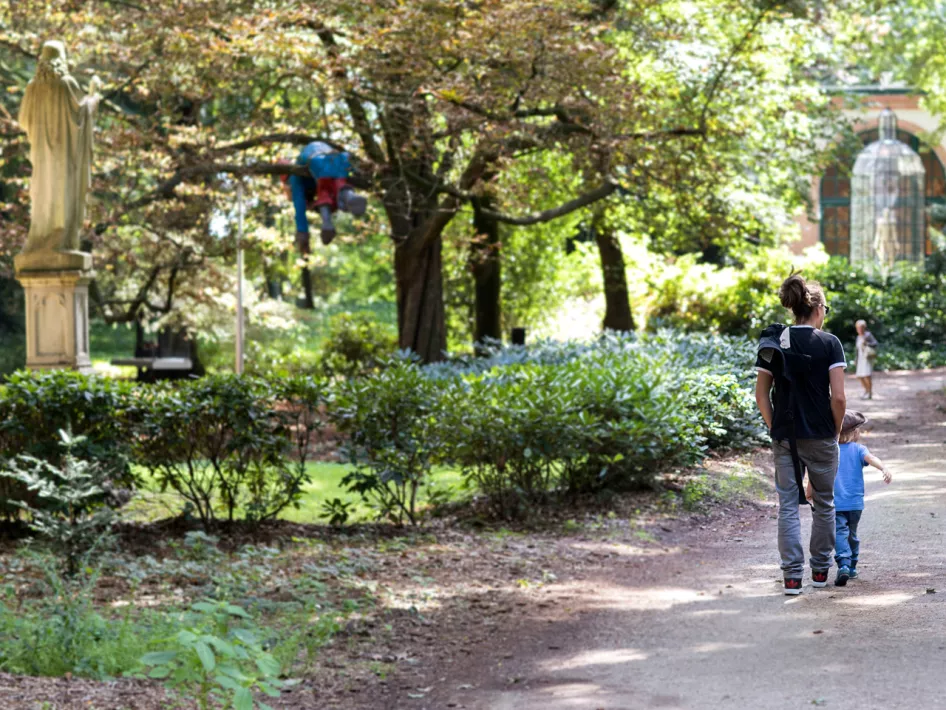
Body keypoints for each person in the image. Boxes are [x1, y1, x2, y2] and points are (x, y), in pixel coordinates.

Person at [755, 273, 847, 596]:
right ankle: (820, 571)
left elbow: (761, 395)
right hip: (822, 435)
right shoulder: (830, 343)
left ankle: (792, 578)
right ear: (818, 308)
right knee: (824, 502)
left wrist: (774, 428)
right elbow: (838, 398)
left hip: (786, 438)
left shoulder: (775, 341)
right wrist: (835, 435)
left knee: (788, 506)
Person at [806, 410, 892, 587]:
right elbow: (872, 458)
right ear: (855, 432)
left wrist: (810, 492)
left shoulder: (828, 450)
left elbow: (816, 474)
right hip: (855, 504)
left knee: (839, 533)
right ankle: (852, 566)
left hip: (835, 503)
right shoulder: (859, 449)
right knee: (852, 534)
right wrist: (883, 468)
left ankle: (843, 564)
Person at [854, 320, 879, 400]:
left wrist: (867, 343)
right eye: (858, 328)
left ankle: (870, 393)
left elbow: (875, 343)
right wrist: (856, 359)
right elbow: (857, 350)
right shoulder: (858, 337)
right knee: (860, 376)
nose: (859, 329)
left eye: (861, 328)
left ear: (864, 328)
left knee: (867, 375)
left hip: (867, 358)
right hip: (861, 359)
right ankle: (866, 391)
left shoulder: (868, 335)